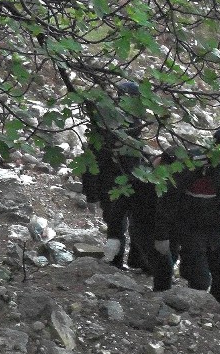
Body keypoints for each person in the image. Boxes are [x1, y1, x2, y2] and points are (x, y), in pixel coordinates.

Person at [153, 127, 220, 304]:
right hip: (189, 224)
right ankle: (192, 309)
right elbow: (169, 200)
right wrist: (162, 236)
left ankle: (217, 309)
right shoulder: (192, 163)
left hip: (219, 223)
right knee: (199, 278)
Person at [82, 81, 154, 272]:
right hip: (113, 182)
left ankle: (133, 261)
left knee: (133, 223)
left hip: (130, 180)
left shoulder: (131, 119)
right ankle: (117, 263)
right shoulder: (106, 125)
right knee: (117, 225)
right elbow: (91, 161)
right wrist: (91, 194)